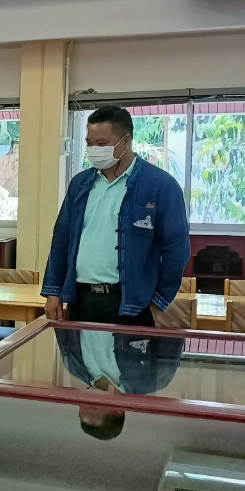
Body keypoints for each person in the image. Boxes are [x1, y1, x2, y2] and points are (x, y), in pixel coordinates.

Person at [42, 106, 190, 326]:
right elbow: (61, 240)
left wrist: (157, 303)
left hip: (130, 304)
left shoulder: (160, 185)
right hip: (80, 300)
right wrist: (53, 291)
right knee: (75, 352)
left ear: (126, 141)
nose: (94, 150)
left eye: (102, 144)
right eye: (89, 143)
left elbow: (177, 250)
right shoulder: (80, 184)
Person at [54, 327, 183, 440]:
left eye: (81, 406)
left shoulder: (74, 366)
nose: (86, 400)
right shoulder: (153, 379)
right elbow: (172, 327)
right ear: (118, 409)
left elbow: (61, 322)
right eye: (93, 407)